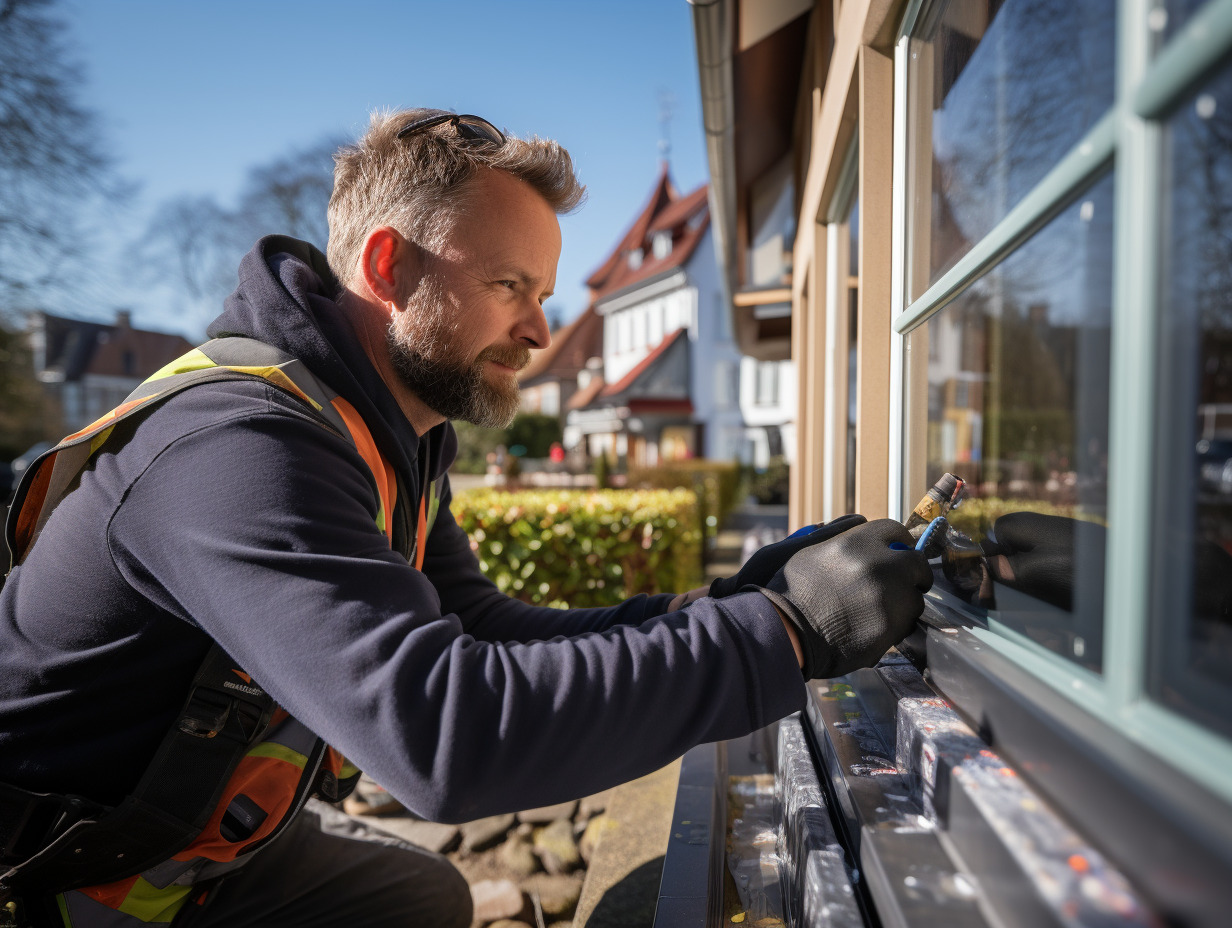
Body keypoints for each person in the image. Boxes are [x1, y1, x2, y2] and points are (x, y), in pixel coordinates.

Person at [0, 109, 932, 928]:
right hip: (47, 880)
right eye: (509, 287)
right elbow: (443, 736)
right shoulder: (237, 449)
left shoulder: (389, 435)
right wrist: (784, 636)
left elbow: (476, 629)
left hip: (178, 852)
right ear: (389, 267)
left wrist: (734, 602)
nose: (538, 331)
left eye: (543, 296)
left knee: (422, 900)